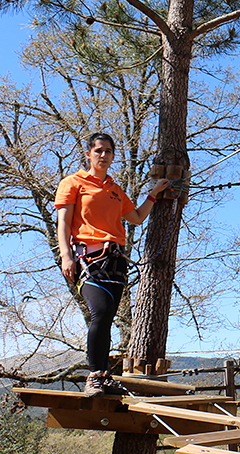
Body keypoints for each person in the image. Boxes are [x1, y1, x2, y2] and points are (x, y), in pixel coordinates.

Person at [55, 133, 170, 396]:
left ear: (113, 155)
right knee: (101, 311)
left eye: (108, 151)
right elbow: (63, 222)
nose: (103, 155)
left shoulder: (116, 190)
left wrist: (153, 194)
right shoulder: (73, 183)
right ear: (88, 154)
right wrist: (66, 255)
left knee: (107, 318)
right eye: (98, 150)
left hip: (116, 263)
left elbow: (137, 217)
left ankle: (104, 376)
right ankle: (94, 375)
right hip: (89, 259)